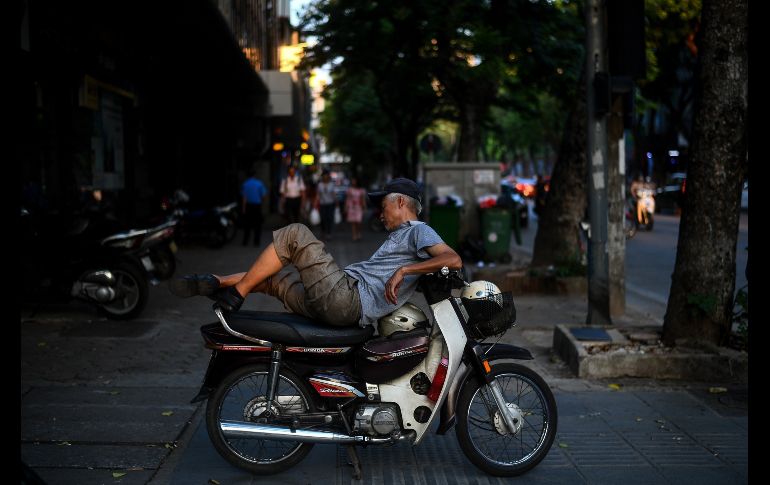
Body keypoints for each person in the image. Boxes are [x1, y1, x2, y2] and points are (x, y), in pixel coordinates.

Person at [169, 177, 462, 328]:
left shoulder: (417, 230)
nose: (380, 213)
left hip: (346, 299)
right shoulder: (402, 234)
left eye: (382, 205)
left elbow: (453, 259)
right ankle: (216, 281)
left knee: (295, 234)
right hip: (335, 300)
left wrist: (404, 270)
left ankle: (235, 293)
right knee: (273, 279)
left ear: (400, 202)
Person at [240, 168, 267, 246]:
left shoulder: (245, 184)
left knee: (247, 225)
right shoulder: (259, 183)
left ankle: (245, 241)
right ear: (254, 175)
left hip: (248, 206)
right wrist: (262, 202)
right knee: (257, 225)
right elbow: (264, 195)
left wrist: (243, 209)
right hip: (257, 206)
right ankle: (256, 242)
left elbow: (244, 198)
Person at [315, 170, 337, 240]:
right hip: (322, 204)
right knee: (323, 218)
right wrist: (315, 202)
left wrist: (337, 203)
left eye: (326, 175)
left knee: (329, 218)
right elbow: (318, 194)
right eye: (324, 175)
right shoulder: (320, 185)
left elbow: (334, 194)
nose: (325, 177)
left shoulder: (331, 184)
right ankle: (323, 231)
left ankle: (329, 233)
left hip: (330, 204)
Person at [345, 176, 366, 241]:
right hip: (352, 207)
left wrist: (364, 207)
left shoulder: (361, 190)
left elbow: (363, 199)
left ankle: (358, 232)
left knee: (358, 221)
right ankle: (354, 235)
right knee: (353, 222)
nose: (353, 182)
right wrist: (346, 207)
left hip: (358, 207)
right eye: (352, 181)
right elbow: (348, 199)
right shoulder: (350, 190)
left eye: (354, 180)